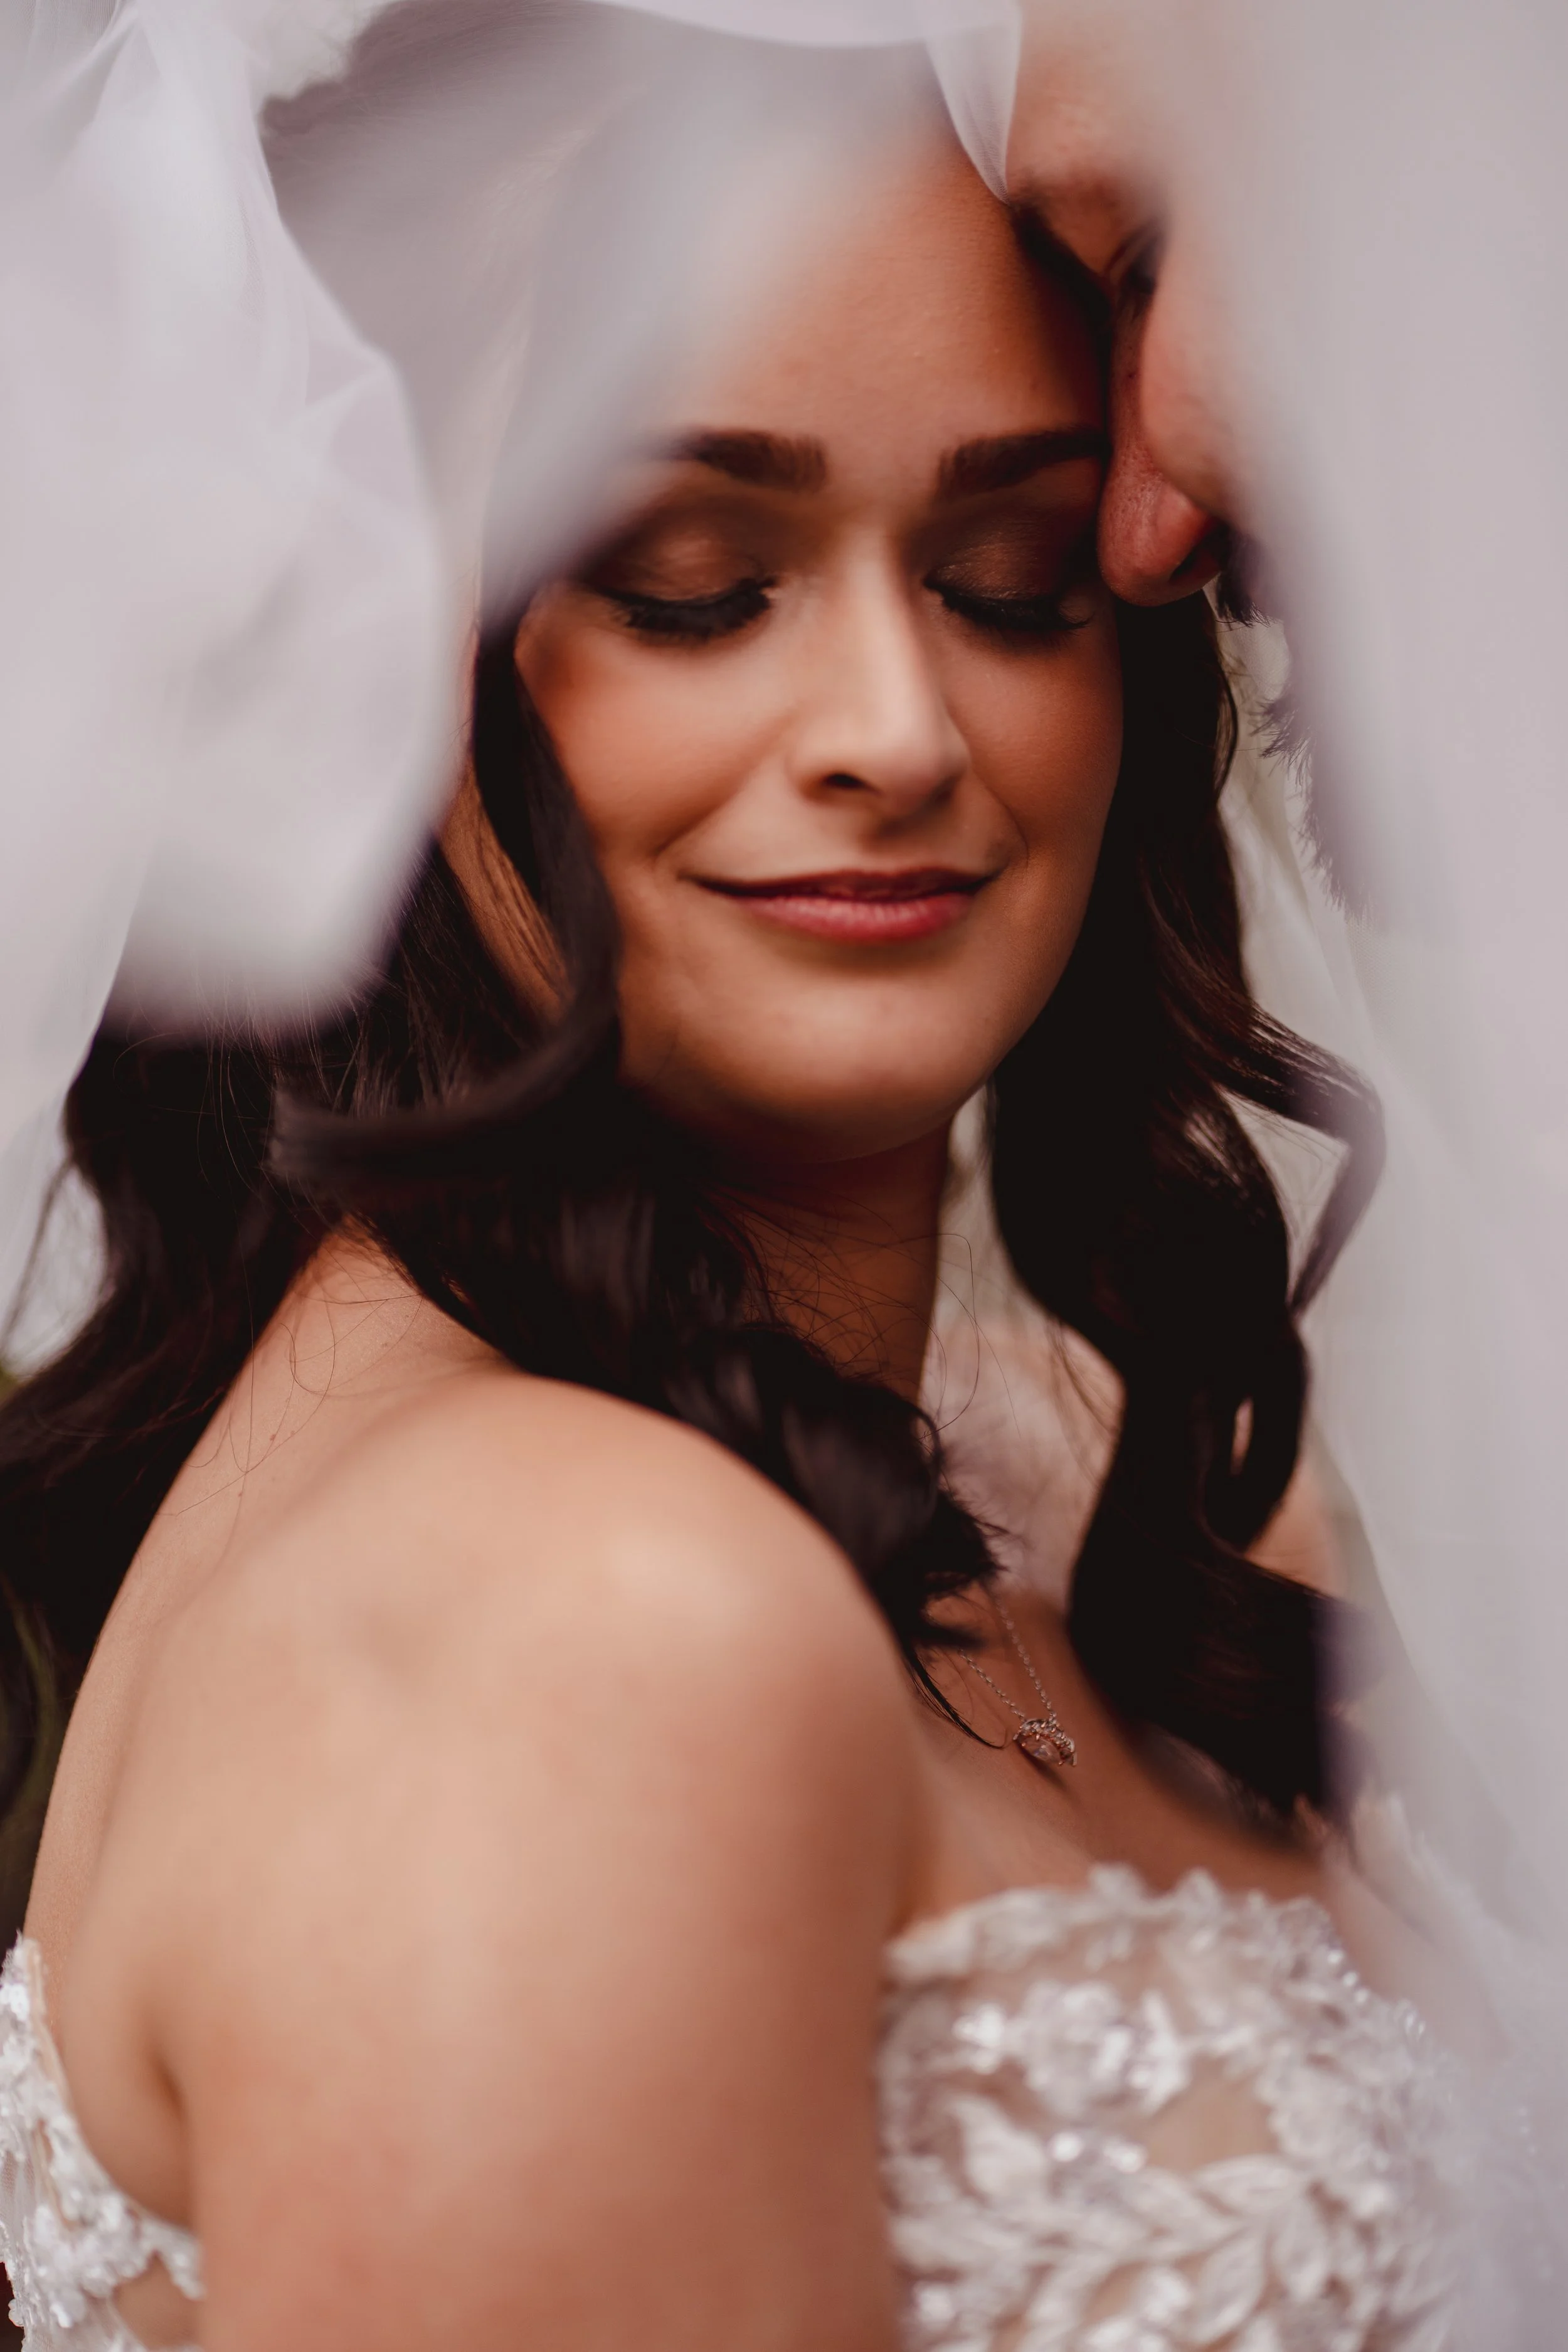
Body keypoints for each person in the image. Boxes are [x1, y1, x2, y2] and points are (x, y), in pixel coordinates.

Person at [0, 125, 1461, 2352]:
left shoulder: (1033, 1455)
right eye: (691, 581)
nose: (894, 728)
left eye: (1014, 576)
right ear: (366, 655)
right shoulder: (581, 1622)